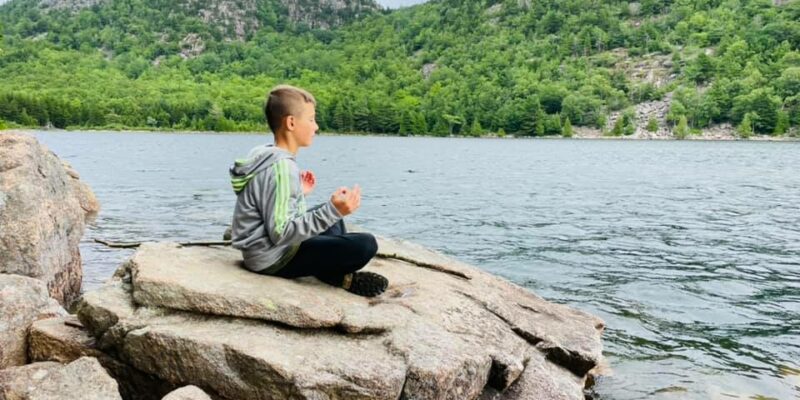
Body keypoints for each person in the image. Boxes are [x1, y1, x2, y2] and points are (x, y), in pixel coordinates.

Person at [229, 85, 388, 297]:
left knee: (331, 219)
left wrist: (299, 193)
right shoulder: (282, 169)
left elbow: (267, 203)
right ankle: (336, 276)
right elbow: (281, 233)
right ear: (291, 123)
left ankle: (327, 268)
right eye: (311, 119)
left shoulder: (264, 154)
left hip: (265, 250)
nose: (317, 127)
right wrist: (334, 210)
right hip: (274, 258)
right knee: (365, 245)